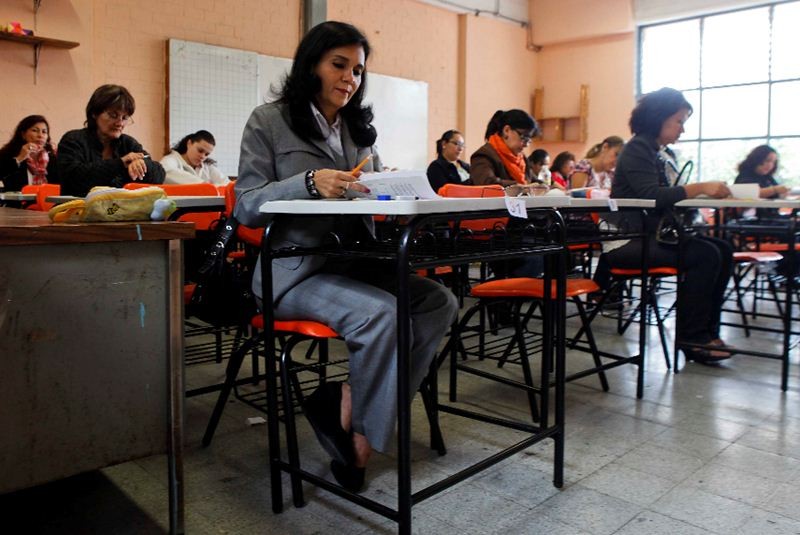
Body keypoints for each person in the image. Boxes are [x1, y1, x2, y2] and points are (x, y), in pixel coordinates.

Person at [233, 21, 458, 492]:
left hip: (353, 262)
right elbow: (247, 206)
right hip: (292, 273)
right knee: (382, 314)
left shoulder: (358, 130)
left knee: (439, 302)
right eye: (339, 65)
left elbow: (365, 194)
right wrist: (308, 183)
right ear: (310, 65)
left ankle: (351, 400)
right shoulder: (269, 120)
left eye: (357, 70)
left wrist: (387, 191)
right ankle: (361, 442)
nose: (350, 78)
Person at [604, 87, 733, 364]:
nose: (682, 129)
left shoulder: (659, 151)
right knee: (706, 255)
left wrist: (700, 192)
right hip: (628, 240)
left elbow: (665, 196)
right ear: (658, 118)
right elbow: (651, 196)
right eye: (679, 121)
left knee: (722, 249)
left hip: (649, 235)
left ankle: (707, 331)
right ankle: (692, 337)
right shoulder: (637, 148)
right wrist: (699, 188)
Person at [58, 85, 165, 196]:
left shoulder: (128, 143)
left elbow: (159, 175)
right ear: (94, 113)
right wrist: (121, 163)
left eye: (125, 118)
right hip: (77, 205)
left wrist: (142, 164)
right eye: (113, 115)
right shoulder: (73, 140)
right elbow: (74, 177)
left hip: (116, 206)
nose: (120, 123)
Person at [470, 109, 539, 187]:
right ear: (506, 130)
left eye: (529, 140)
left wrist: (545, 186)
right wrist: (520, 187)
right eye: (524, 138)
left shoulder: (521, 159)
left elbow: (534, 181)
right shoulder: (483, 155)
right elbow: (487, 183)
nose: (526, 145)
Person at [0, 115, 59, 192]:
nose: (40, 135)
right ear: (23, 135)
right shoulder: (8, 154)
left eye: (44, 132)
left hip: (47, 199)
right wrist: (19, 158)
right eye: (35, 130)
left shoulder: (52, 158)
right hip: (18, 200)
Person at [161, 130, 230, 186]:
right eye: (200, 151)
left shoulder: (207, 167)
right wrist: (202, 184)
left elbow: (225, 183)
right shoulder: (171, 160)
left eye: (206, 154)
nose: (202, 156)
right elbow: (164, 171)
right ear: (189, 143)